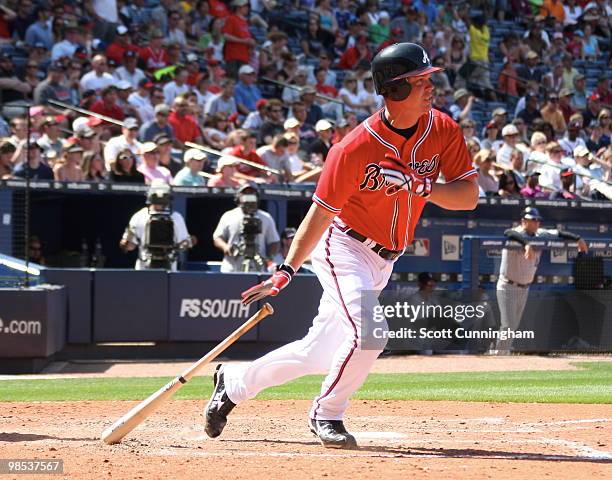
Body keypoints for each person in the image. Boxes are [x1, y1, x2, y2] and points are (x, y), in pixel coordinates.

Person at [204, 43, 478, 449]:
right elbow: (319, 214)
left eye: (428, 78)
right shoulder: (352, 148)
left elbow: (468, 196)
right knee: (370, 333)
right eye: (418, 81)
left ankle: (233, 384)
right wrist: (287, 270)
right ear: (393, 90)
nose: (430, 86)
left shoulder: (443, 129)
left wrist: (421, 186)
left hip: (385, 258)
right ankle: (326, 413)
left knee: (317, 353)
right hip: (344, 247)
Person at [495, 207, 587, 353]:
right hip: (508, 286)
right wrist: (526, 244)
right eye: (532, 220)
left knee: (513, 325)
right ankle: (499, 354)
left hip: (524, 287)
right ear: (523, 221)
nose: (536, 223)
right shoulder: (516, 233)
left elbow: (559, 233)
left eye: (537, 220)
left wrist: (577, 238)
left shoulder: (540, 233)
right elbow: (508, 233)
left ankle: (501, 351)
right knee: (508, 324)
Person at [119, 180, 192, 270]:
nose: (159, 203)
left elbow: (183, 242)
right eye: (157, 200)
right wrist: (126, 242)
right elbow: (131, 246)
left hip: (169, 267)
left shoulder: (176, 217)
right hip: (145, 266)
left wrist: (183, 245)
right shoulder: (140, 216)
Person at [212, 183, 281, 273]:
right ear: (238, 197)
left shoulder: (266, 217)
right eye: (245, 193)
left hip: (257, 268)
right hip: (232, 268)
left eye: (252, 193)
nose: (249, 196)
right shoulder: (228, 216)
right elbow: (217, 237)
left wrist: (269, 257)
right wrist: (225, 247)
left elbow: (275, 241)